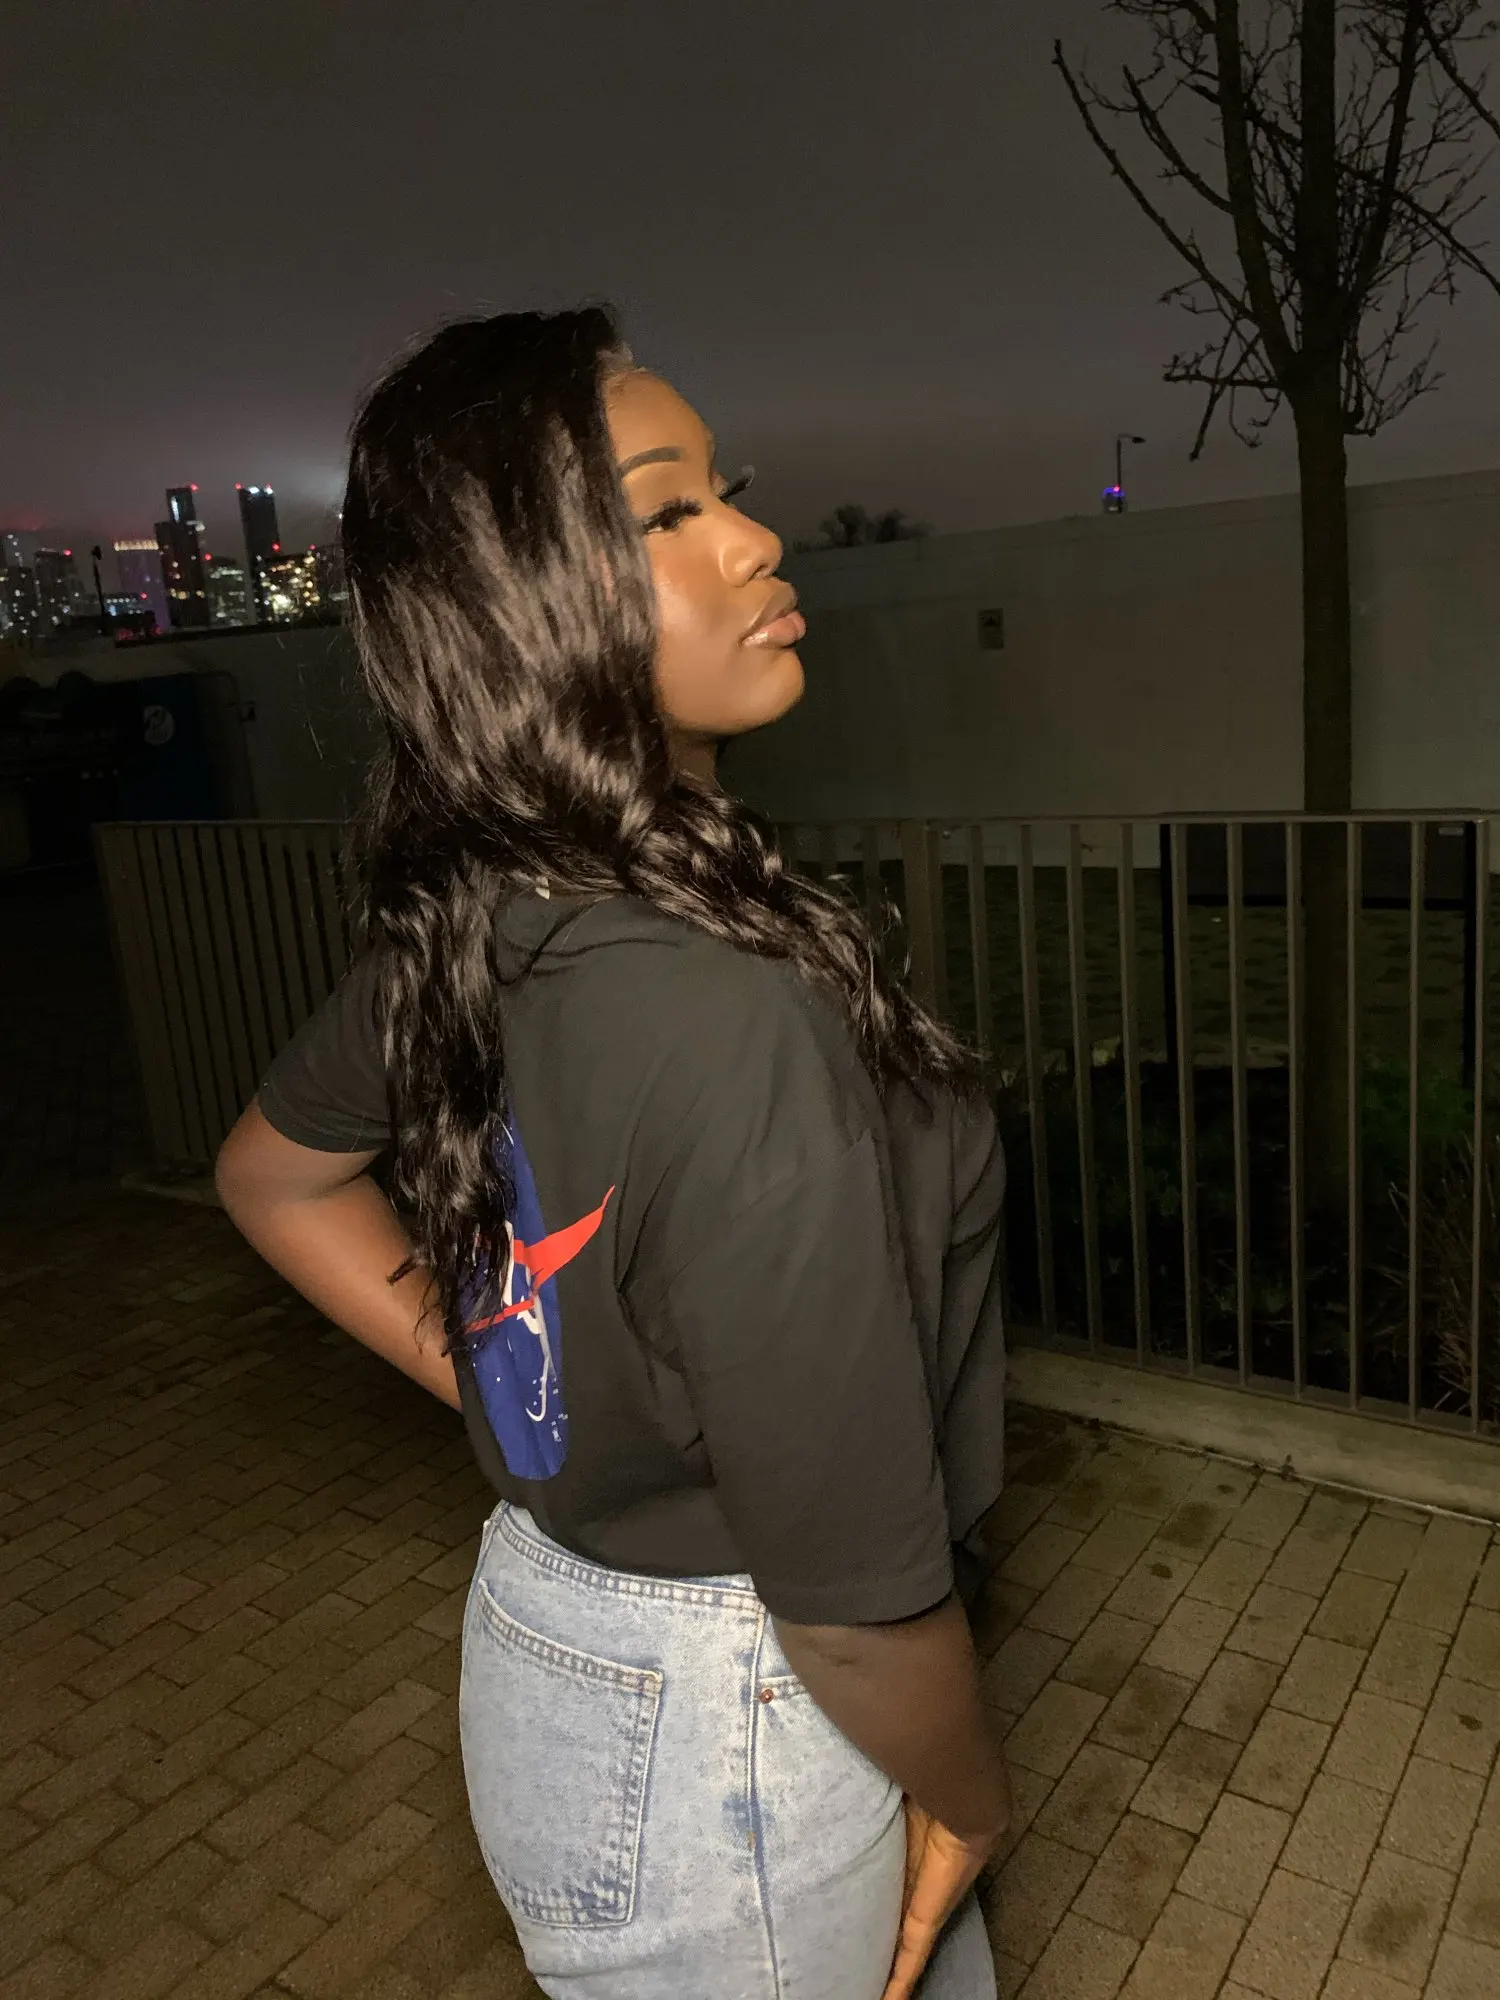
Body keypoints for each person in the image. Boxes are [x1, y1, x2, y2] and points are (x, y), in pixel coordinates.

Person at [215, 307, 1012, 2000]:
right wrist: (974, 1797)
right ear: (524, 606)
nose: (756, 537)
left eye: (725, 486)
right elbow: (852, 1600)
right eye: (666, 511)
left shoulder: (484, 910)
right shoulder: (725, 1008)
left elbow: (274, 1176)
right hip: (746, 1724)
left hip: (564, 1640)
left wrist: (530, 1382)